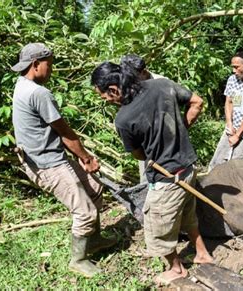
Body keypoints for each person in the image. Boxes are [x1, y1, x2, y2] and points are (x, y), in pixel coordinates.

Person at [91, 62, 213, 284]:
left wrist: (160, 145)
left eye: (104, 96)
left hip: (167, 178)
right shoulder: (161, 85)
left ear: (113, 89)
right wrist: (180, 132)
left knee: (155, 228)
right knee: (187, 215)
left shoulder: (123, 119)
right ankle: (202, 253)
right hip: (188, 167)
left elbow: (139, 156)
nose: (105, 101)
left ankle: (176, 269)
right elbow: (197, 102)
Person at [11, 43, 115, 278]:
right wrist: (86, 158)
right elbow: (65, 132)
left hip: (50, 156)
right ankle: (77, 260)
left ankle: (95, 240)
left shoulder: (21, 85)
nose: (52, 69)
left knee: (95, 190)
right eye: (50, 64)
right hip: (48, 164)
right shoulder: (38, 93)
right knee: (85, 212)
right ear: (36, 64)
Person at [120, 54, 166, 184]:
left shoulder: (161, 82)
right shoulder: (128, 86)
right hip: (144, 139)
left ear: (143, 72)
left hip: (164, 135)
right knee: (147, 176)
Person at [209, 51, 243, 171]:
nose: (234, 71)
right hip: (231, 128)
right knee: (217, 160)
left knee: (235, 162)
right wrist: (229, 125)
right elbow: (229, 102)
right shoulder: (232, 80)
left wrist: (237, 135)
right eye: (232, 67)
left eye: (237, 67)